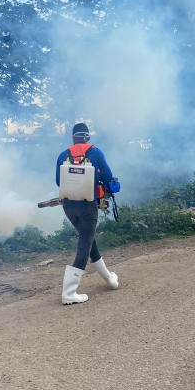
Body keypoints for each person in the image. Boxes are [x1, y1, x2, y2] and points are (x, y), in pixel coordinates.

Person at [55, 122, 119, 305]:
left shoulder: (63, 155)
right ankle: (69, 293)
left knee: (89, 242)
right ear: (88, 137)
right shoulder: (96, 152)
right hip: (87, 205)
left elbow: (59, 182)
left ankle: (110, 280)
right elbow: (108, 177)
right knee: (84, 245)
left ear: (73, 138)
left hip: (68, 205)